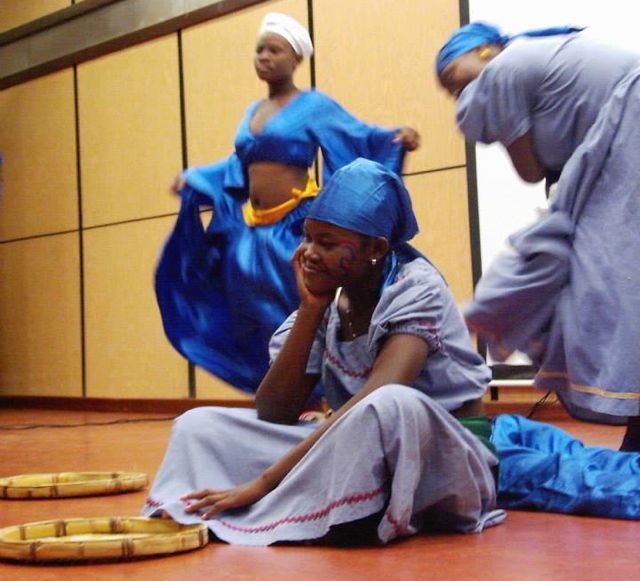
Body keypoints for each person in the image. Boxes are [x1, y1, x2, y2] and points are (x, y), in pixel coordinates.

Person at [143, 158, 505, 546]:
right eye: (308, 238)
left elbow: (377, 399)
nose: (309, 253)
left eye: (328, 244)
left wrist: (263, 483)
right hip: (354, 446)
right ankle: (322, 509)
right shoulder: (331, 297)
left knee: (389, 405)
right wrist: (313, 309)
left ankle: (329, 511)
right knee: (197, 426)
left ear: (376, 249)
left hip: (447, 459)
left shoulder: (417, 289)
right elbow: (273, 412)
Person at [157, 13, 419, 393]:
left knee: (300, 309)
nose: (264, 56)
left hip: (293, 231)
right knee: (249, 312)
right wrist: (195, 179)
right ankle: (279, 394)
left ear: (296, 59)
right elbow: (237, 166)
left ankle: (319, 392)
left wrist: (394, 138)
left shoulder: (313, 105)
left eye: (274, 49)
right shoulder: (252, 112)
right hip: (252, 234)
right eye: (260, 49)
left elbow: (357, 137)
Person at [436, 22, 640, 450]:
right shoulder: (531, 62)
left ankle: (486, 314)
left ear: (487, 51)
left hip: (629, 128)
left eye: (453, 79)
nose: (457, 98)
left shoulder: (505, 68)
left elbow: (529, 170)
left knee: (606, 277)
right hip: (621, 136)